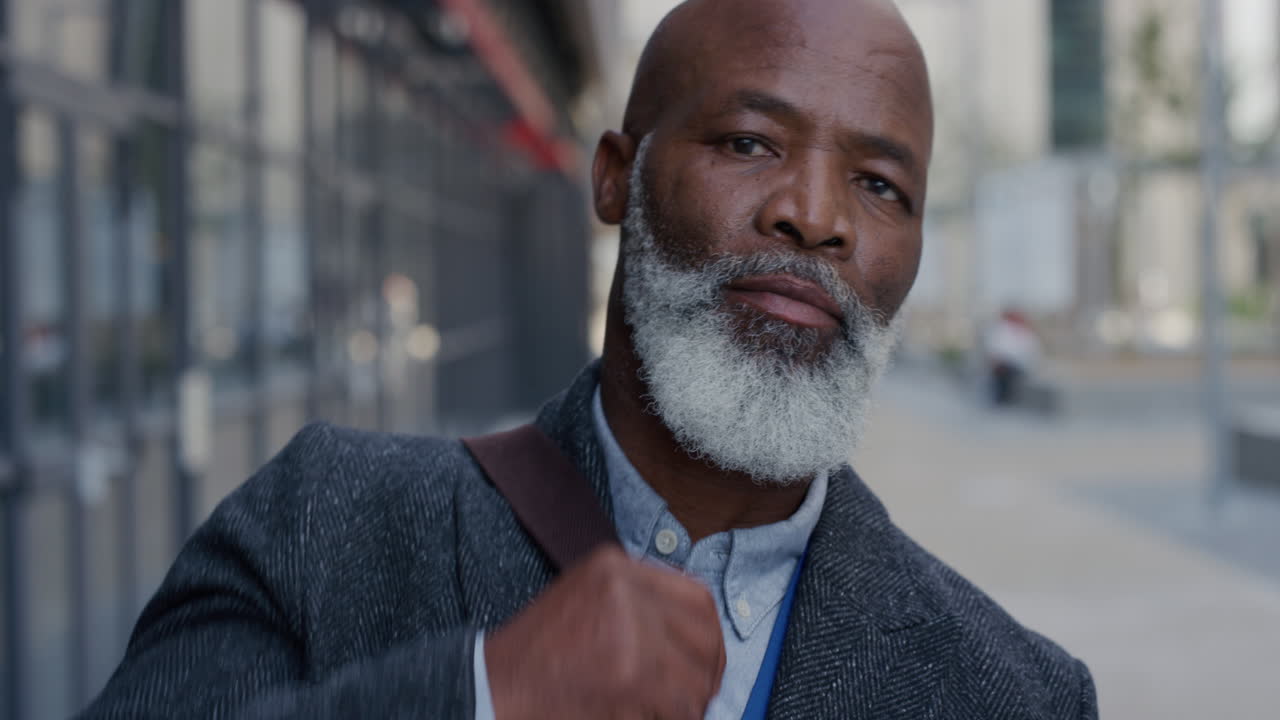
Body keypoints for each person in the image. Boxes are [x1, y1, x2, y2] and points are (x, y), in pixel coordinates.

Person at [80, 1, 1097, 718]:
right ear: (616, 178)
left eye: (879, 187)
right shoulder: (323, 525)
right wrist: (486, 696)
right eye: (750, 143)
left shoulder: (1015, 693)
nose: (815, 215)